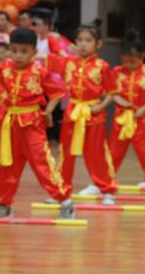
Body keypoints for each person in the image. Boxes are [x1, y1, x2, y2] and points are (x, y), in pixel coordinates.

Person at [0, 28, 74, 218]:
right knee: (8, 165)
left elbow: (57, 93)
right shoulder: (5, 68)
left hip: (32, 125)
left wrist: (48, 111)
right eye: (14, 50)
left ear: (34, 52)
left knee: (42, 164)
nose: (18, 56)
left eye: (24, 51)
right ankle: (3, 204)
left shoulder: (39, 72)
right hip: (10, 125)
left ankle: (65, 200)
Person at [45, 22, 118, 205]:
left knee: (96, 153)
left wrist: (101, 107)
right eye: (80, 40)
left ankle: (107, 189)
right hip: (72, 112)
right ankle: (61, 191)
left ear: (98, 44)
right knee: (65, 153)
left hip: (93, 114)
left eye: (88, 40)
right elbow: (42, 58)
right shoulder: (67, 63)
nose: (83, 44)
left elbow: (112, 92)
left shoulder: (102, 66)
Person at [109, 31, 145, 195]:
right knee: (114, 151)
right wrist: (120, 102)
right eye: (125, 61)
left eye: (133, 61)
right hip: (121, 118)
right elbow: (111, 92)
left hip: (142, 118)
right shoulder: (116, 72)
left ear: (142, 56)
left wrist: (144, 108)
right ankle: (105, 182)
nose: (128, 65)